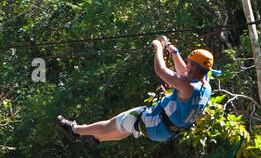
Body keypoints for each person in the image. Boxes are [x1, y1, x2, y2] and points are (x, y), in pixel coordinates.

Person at [58, 40, 213, 144]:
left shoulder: (188, 86)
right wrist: (174, 52)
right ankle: (98, 138)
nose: (186, 65)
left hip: (156, 123)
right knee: (129, 126)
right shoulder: (205, 86)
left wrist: (159, 48)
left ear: (193, 67)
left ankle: (74, 130)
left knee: (115, 123)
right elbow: (184, 73)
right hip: (168, 132)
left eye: (188, 63)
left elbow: (161, 70)